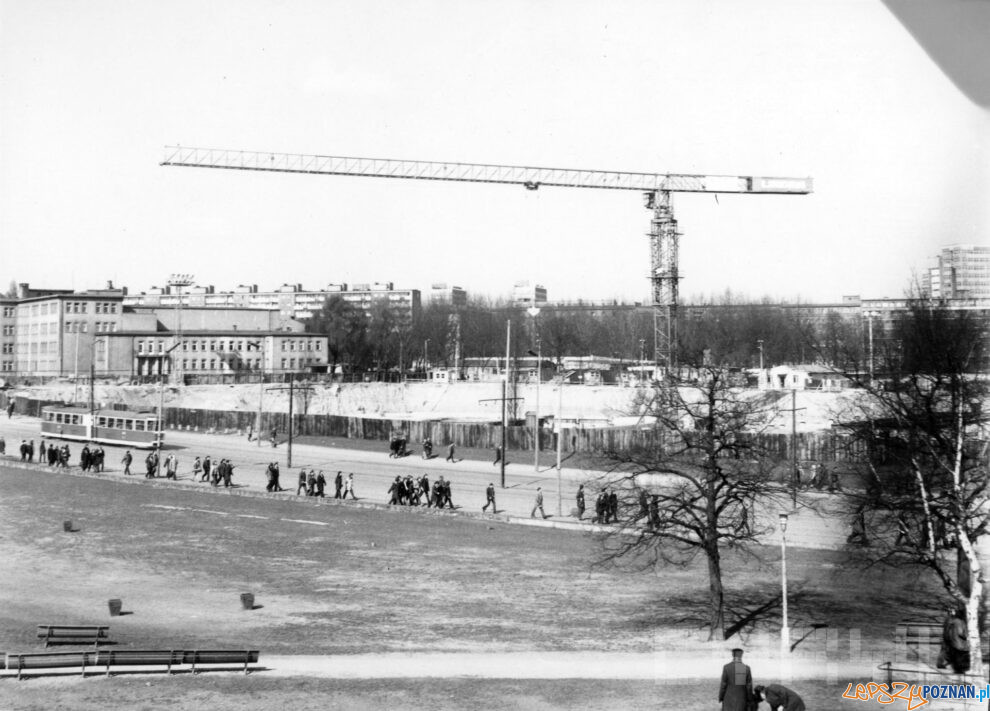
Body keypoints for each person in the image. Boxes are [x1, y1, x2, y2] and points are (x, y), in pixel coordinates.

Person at [938, 607, 970, 674]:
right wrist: (967, 636)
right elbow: (960, 632)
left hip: (952, 640)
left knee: (952, 655)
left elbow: (948, 630)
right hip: (958, 642)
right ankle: (959, 670)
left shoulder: (951, 621)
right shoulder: (959, 621)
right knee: (960, 656)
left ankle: (945, 665)